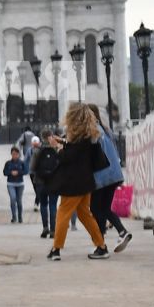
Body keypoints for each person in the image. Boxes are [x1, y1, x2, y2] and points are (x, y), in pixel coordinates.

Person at [44, 102, 111, 262]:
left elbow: (67, 158)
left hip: (73, 184)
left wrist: (56, 147)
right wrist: (63, 142)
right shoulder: (86, 135)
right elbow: (75, 149)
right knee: (84, 214)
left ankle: (56, 249)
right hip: (85, 182)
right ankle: (101, 246)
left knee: (63, 214)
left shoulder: (79, 136)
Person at [87, 106, 133, 251]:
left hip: (102, 176)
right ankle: (120, 232)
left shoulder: (93, 132)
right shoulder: (105, 129)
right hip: (114, 174)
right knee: (104, 208)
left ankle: (101, 244)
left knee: (96, 208)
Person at [28, 130, 59, 238]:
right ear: (51, 136)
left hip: (40, 182)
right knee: (53, 205)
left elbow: (31, 168)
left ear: (41, 137)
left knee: (43, 205)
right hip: (54, 182)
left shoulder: (37, 151)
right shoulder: (56, 150)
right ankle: (53, 230)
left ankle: (45, 227)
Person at [2, 145, 29, 223]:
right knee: (13, 199)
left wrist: (18, 172)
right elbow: (4, 172)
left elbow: (26, 171)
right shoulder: (8, 163)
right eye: (13, 154)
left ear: (18, 154)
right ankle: (14, 216)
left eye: (16, 154)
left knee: (19, 200)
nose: (15, 156)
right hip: (11, 183)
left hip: (20, 184)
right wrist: (10, 172)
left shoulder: (22, 162)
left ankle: (20, 216)